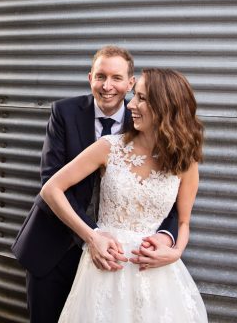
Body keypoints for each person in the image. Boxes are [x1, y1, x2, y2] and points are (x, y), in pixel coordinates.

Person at [11, 47, 179, 323]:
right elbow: (51, 180)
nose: (107, 86)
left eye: (116, 77)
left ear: (130, 82)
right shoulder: (64, 112)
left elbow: (168, 193)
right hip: (55, 245)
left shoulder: (144, 118)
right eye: (100, 76)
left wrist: (166, 237)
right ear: (90, 78)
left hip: (115, 262)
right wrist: (93, 235)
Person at [40, 68, 207, 322]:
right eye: (135, 96)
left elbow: (183, 221)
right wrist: (92, 236)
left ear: (165, 106)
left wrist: (175, 251)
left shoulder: (185, 161)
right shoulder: (109, 147)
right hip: (104, 271)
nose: (131, 105)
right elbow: (51, 189)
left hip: (155, 276)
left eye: (141, 98)